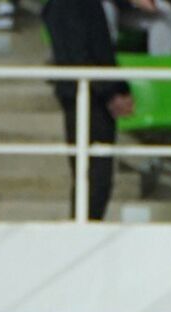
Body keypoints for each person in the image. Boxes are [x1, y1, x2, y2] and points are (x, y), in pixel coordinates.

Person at [43, 0, 135, 220]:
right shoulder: (65, 6)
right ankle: (82, 232)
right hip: (83, 97)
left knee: (97, 178)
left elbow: (102, 51)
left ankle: (84, 228)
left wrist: (119, 88)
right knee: (93, 178)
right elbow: (77, 56)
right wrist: (112, 92)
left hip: (96, 96)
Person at [102, 0, 171, 55]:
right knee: (106, 8)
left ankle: (162, 69)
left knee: (166, 10)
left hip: (129, 11)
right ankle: (105, 62)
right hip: (102, 7)